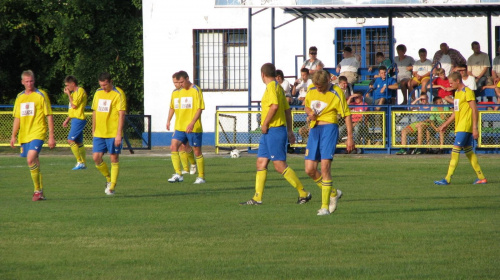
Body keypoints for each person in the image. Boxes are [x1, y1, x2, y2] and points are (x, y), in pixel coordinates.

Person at [241, 63, 311, 206]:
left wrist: (265, 123)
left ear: (262, 74)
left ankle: (303, 193)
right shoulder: (278, 87)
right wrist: (290, 131)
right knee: (261, 163)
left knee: (279, 166)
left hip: (274, 130)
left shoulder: (272, 87)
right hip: (270, 132)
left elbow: (275, 106)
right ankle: (257, 198)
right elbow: (287, 110)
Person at [304, 70, 355, 215]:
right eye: (316, 86)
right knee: (309, 169)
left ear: (328, 82)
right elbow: (306, 105)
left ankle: (324, 207)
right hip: (314, 130)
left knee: (325, 167)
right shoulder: (311, 89)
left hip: (329, 129)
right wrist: (309, 113)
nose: (318, 89)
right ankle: (333, 192)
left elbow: (346, 115)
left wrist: (350, 138)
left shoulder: (336, 91)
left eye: (321, 86)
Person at [10, 70, 56, 201]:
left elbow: (49, 115)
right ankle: (40, 192)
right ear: (22, 82)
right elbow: (17, 117)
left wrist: (51, 136)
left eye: (31, 81)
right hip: (25, 135)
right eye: (27, 81)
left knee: (30, 159)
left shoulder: (41, 95)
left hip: (38, 132)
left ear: (34, 81)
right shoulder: (20, 97)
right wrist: (13, 135)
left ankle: (37, 191)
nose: (29, 83)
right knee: (34, 161)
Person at [434, 72, 487, 185]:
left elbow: (474, 110)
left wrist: (475, 128)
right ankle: (481, 177)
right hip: (460, 126)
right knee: (469, 152)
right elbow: (455, 112)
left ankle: (447, 179)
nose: (450, 85)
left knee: (455, 151)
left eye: (451, 83)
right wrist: (446, 124)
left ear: (458, 81)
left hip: (465, 126)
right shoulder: (457, 93)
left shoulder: (467, 92)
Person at [91, 72, 127, 195]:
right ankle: (108, 178)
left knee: (114, 158)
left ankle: (112, 187)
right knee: (96, 157)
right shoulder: (98, 92)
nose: (103, 88)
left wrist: (118, 134)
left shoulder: (118, 94)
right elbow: (95, 111)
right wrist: (93, 129)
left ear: (111, 82)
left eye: (105, 85)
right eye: (101, 85)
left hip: (112, 132)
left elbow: (122, 114)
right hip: (100, 132)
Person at [168, 71, 206, 184]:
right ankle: (178, 174)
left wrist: (192, 122)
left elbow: (200, 108)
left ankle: (201, 177)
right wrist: (168, 120)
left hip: (193, 128)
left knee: (196, 151)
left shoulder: (195, 90)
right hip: (180, 127)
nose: (180, 84)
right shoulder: (176, 92)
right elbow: (172, 107)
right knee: (173, 146)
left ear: (187, 78)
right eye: (177, 82)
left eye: (181, 82)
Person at [166, 72, 197, 177]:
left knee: (186, 147)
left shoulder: (189, 91)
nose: (176, 84)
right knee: (176, 146)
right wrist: (168, 120)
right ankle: (182, 171)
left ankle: (193, 164)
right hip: (178, 125)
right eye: (174, 82)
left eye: (177, 82)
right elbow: (172, 107)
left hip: (188, 124)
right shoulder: (174, 93)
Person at [61, 75, 88, 170]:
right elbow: (72, 109)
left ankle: (79, 161)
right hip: (74, 119)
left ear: (73, 84)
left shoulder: (80, 91)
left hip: (79, 119)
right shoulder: (73, 94)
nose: (66, 88)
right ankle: (83, 163)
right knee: (78, 142)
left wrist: (68, 94)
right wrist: (67, 119)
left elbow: (74, 106)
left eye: (67, 85)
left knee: (70, 140)